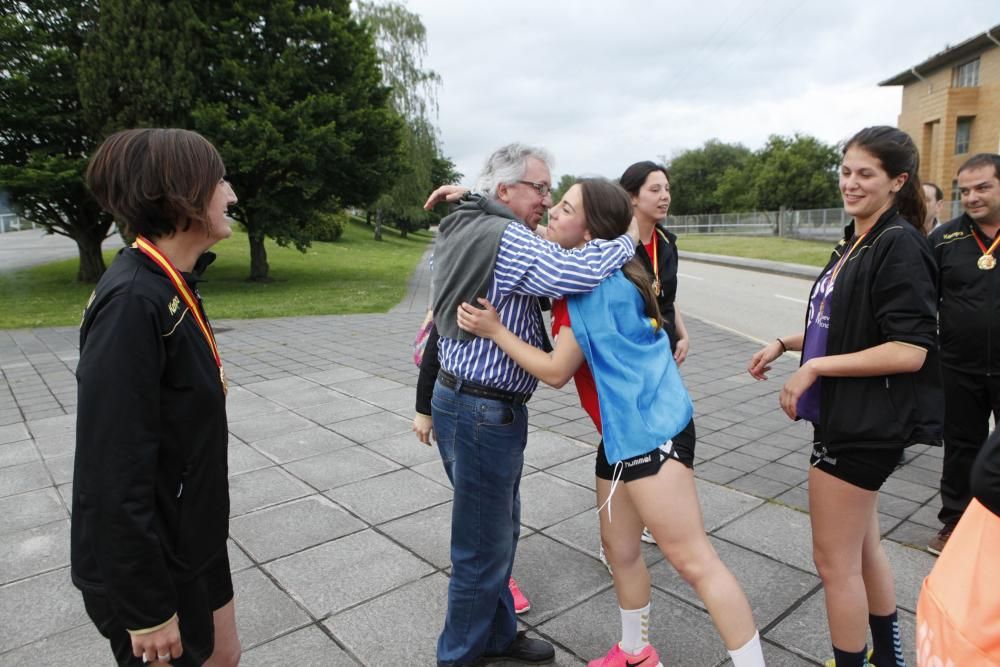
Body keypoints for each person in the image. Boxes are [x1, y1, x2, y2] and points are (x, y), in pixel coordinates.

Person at [458, 178, 765, 667]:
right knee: (619, 548)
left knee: (694, 561)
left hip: (649, 434)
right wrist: (473, 195)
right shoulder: (582, 269)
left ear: (590, 232)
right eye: (554, 204)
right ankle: (636, 653)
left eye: (565, 208)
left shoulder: (590, 288)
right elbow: (518, 224)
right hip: (621, 436)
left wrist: (495, 330)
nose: (552, 213)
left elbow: (557, 371)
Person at [429, 144, 639, 667]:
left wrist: (470, 194)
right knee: (481, 549)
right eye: (541, 190)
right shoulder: (507, 238)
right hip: (482, 410)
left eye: (553, 193)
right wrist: (631, 236)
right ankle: (457, 658)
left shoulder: (466, 221)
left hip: (462, 400)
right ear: (506, 191)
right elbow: (576, 271)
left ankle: (499, 636)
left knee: (495, 535)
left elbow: (540, 244)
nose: (547, 201)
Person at [748, 126, 942, 667]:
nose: (850, 183)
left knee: (835, 564)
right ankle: (887, 657)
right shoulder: (857, 236)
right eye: (846, 170)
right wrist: (788, 343)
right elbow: (843, 323)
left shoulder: (898, 242)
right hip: (851, 415)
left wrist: (814, 367)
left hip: (863, 423)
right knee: (862, 548)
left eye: (866, 174)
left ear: (897, 181)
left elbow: (910, 350)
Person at [72, 128, 241, 667]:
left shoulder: (171, 282)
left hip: (192, 535)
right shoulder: (131, 303)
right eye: (219, 180)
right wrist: (145, 607)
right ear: (181, 193)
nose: (231, 193)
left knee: (224, 655)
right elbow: (110, 471)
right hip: (154, 559)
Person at [926, 153, 1000, 555]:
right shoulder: (945, 239)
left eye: (982, 187)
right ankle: (953, 523)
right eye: (964, 190)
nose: (971, 197)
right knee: (961, 449)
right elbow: (921, 301)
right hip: (958, 366)